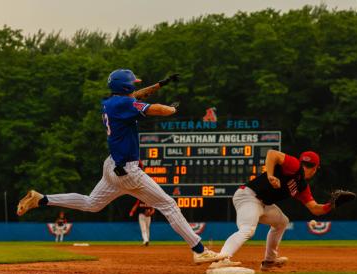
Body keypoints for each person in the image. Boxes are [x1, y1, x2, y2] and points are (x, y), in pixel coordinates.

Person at [17, 69, 224, 264]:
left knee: (91, 204)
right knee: (168, 205)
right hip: (128, 172)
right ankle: (200, 251)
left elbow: (136, 96)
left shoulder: (110, 103)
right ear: (126, 87)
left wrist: (159, 85)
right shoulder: (124, 105)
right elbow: (156, 109)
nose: (134, 87)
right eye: (132, 84)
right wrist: (173, 109)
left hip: (112, 166)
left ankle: (42, 200)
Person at [211, 150, 334, 271]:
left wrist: (331, 205)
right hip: (248, 196)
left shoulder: (302, 186)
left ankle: (269, 261)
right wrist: (270, 175)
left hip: (263, 204)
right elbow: (272, 154)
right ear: (315, 168)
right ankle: (221, 259)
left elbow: (314, 208)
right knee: (248, 229)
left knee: (282, 222)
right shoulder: (295, 165)